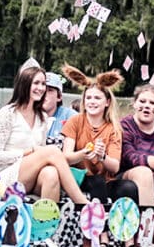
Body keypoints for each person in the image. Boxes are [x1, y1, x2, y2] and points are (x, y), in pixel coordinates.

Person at [0, 65, 88, 203]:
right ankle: (81, 203)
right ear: (25, 84)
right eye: (36, 83)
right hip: (5, 177)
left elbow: (42, 156)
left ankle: (48, 222)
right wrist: (28, 152)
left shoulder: (41, 116)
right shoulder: (8, 113)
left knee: (51, 174)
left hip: (31, 177)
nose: (41, 88)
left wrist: (36, 154)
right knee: (51, 151)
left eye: (43, 84)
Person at [59, 65, 139, 205]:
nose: (92, 101)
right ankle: (98, 222)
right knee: (97, 181)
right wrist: (83, 153)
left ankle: (127, 224)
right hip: (79, 178)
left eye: (97, 98)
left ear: (107, 102)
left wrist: (102, 156)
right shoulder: (75, 121)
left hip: (105, 179)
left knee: (129, 187)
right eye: (88, 98)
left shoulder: (113, 128)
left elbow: (114, 167)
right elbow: (66, 157)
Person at [42, 72, 77, 143]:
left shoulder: (70, 116)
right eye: (42, 89)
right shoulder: (27, 115)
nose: (44, 94)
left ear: (59, 97)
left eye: (50, 90)